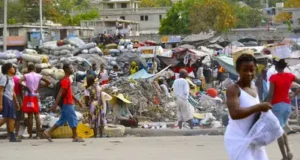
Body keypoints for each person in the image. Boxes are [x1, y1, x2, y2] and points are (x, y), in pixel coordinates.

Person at [224, 54, 272, 160]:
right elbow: (235, 114)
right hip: (237, 138)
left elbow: (255, 114)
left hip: (253, 137)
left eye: (252, 70)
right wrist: (259, 107)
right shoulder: (234, 89)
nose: (249, 73)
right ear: (237, 70)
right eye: (245, 70)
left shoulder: (254, 88)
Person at [266, 59, 300, 160]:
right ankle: (289, 151)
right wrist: (295, 94)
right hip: (287, 105)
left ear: (276, 68)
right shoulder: (290, 76)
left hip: (277, 106)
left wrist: (267, 104)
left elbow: (271, 93)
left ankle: (285, 156)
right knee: (281, 128)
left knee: (278, 132)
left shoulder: (273, 77)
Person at [44, 64, 85, 142]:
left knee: (62, 120)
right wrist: (55, 105)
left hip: (67, 103)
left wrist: (77, 101)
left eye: (72, 68)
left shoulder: (67, 79)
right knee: (73, 119)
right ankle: (75, 137)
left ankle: (48, 132)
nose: (72, 69)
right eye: (71, 68)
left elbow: (70, 93)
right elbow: (60, 93)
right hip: (67, 103)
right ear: (66, 70)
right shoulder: (65, 80)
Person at [19, 64, 50, 139]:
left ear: (28, 69)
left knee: (30, 116)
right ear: (35, 69)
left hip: (28, 96)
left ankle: (30, 135)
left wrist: (26, 87)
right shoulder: (38, 76)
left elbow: (19, 81)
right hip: (36, 96)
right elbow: (48, 82)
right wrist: (39, 87)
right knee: (37, 115)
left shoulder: (26, 75)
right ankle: (38, 134)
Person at [0, 63, 21, 142]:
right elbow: (1, 91)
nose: (14, 68)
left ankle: (12, 136)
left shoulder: (11, 78)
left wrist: (16, 102)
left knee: (8, 118)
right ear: (8, 69)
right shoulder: (4, 78)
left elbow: (13, 92)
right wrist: (1, 103)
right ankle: (12, 137)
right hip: (5, 99)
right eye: (12, 67)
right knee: (10, 118)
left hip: (10, 99)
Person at [13, 67, 23, 138]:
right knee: (18, 118)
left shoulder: (4, 79)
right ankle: (16, 133)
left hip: (10, 98)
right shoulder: (18, 80)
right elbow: (21, 92)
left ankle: (10, 133)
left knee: (10, 117)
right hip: (17, 97)